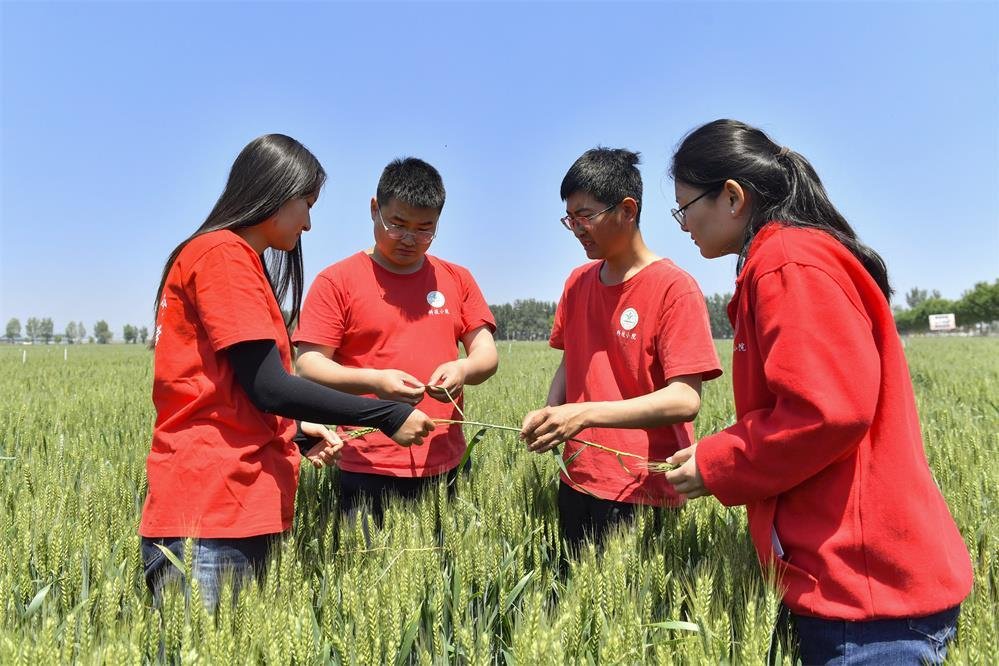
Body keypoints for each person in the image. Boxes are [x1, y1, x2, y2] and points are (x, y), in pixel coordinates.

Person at [664, 119, 973, 664]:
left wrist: (717, 464)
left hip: (863, 599)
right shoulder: (793, 257)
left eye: (684, 207)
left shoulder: (787, 262)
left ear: (732, 197)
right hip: (864, 586)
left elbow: (825, 412)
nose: (683, 225)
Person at [140, 135, 435, 610]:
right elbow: (268, 386)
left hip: (230, 499)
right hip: (214, 505)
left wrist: (296, 431)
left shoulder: (229, 258)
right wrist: (386, 415)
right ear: (275, 191)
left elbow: (228, 387)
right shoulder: (222, 255)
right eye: (307, 204)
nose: (310, 223)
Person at [519, 147, 721, 550]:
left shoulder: (674, 289)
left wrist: (583, 414)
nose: (577, 228)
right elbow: (572, 358)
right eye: (570, 218)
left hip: (640, 486)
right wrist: (551, 411)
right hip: (576, 475)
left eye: (586, 216)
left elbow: (685, 398)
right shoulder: (577, 283)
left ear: (627, 210)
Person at [294, 157, 497, 527]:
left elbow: (486, 353)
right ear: (375, 208)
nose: (409, 239)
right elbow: (308, 363)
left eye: (425, 229)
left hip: (444, 461)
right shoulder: (337, 281)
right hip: (365, 462)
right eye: (397, 225)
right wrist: (375, 381)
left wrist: (462, 368)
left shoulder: (456, 278)